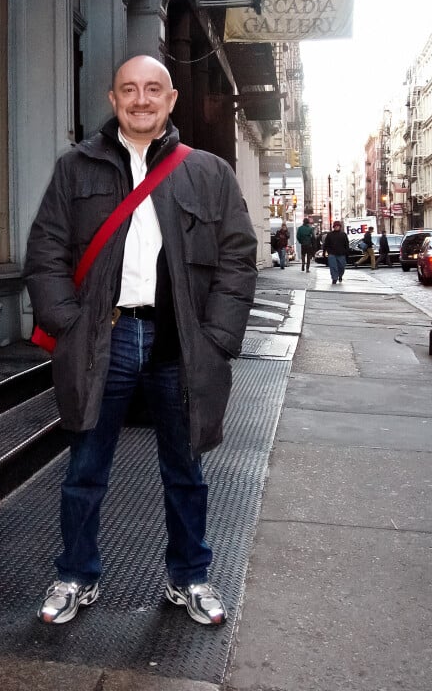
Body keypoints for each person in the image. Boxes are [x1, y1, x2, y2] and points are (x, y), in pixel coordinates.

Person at [23, 55, 257, 628]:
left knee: (186, 469)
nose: (141, 98)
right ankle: (76, 575)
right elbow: (46, 249)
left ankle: (190, 577)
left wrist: (219, 338)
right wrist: (69, 323)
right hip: (103, 337)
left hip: (181, 340)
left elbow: (237, 258)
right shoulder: (76, 168)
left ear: (171, 100)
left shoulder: (208, 172)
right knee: (86, 466)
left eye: (153, 89)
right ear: (112, 100)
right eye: (129, 89)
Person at [322, 220, 350, 284]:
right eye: (335, 226)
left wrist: (347, 253)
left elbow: (346, 244)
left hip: (341, 253)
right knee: (333, 266)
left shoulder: (343, 235)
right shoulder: (329, 235)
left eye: (338, 226)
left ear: (340, 227)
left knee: (341, 267)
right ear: (333, 227)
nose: (337, 227)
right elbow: (326, 244)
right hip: (332, 253)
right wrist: (324, 252)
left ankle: (340, 275)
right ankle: (334, 278)